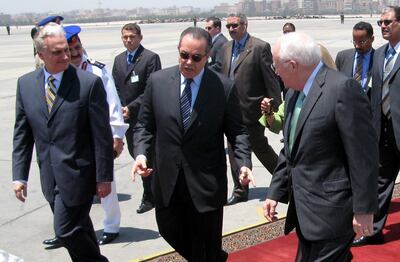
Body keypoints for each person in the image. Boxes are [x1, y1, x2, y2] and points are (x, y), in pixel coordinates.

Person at [132, 27, 253, 261]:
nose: (188, 62)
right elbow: (144, 126)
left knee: (205, 244)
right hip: (168, 182)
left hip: (206, 184)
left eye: (196, 57)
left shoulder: (223, 87)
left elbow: (238, 132)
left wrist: (244, 163)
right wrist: (141, 154)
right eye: (183, 55)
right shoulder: (158, 82)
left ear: (207, 56)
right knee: (169, 230)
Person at [262, 32, 378, 261]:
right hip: (305, 212)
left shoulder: (342, 89)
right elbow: (291, 149)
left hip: (333, 212)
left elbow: (363, 155)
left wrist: (364, 209)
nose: (275, 72)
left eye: (276, 66)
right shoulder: (294, 92)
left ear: (293, 65)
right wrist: (276, 191)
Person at [12, 23, 113, 261]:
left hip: (79, 175)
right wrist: (19, 176)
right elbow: (22, 134)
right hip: (49, 175)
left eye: (66, 49)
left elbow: (101, 135)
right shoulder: (25, 85)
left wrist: (104, 177)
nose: (66, 55)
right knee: (81, 229)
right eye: (57, 52)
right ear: (41, 54)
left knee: (65, 230)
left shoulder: (88, 83)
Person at [65, 25, 128, 245]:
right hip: (71, 140)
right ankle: (68, 227)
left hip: (97, 137)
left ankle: (111, 226)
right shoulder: (59, 73)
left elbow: (113, 104)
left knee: (105, 183)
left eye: (77, 48)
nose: (74, 53)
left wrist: (117, 136)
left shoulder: (96, 71)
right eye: (70, 49)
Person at [214, 13, 281, 205]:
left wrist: (273, 107)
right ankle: (240, 190)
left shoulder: (259, 47)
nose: (231, 29)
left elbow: (270, 79)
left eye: (235, 25)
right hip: (230, 112)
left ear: (245, 25)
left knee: (260, 148)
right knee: (234, 150)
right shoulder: (226, 48)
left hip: (252, 110)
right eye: (228, 27)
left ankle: (286, 180)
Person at [353, 5, 400, 247]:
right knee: (381, 181)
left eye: (388, 22)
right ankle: (373, 232)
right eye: (380, 22)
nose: (383, 26)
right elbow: (375, 94)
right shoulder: (379, 54)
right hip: (383, 130)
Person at [112, 23, 161, 214]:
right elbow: (115, 87)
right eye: (125, 37)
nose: (128, 40)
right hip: (127, 119)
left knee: (150, 157)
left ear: (140, 37)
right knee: (137, 156)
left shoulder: (150, 58)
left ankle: (150, 195)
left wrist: (130, 108)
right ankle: (151, 192)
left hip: (145, 117)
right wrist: (119, 108)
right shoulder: (118, 60)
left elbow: (151, 88)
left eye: (132, 36)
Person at [335, 21, 375, 95]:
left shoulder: (379, 58)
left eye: (361, 42)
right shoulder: (342, 57)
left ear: (372, 39)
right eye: (354, 41)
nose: (357, 46)